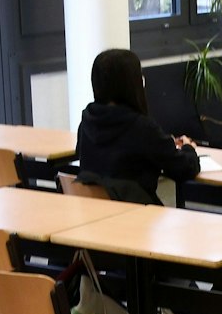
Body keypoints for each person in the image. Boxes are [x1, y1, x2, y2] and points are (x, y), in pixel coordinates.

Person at [75, 47, 200, 203]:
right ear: (131, 84)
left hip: (96, 215)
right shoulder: (142, 128)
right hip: (138, 217)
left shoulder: (87, 123)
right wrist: (188, 148)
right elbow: (184, 168)